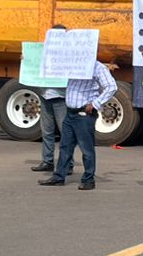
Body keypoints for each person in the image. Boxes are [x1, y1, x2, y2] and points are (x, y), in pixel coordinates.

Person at [38, 56, 118, 191]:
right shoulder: (73, 63)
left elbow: (111, 87)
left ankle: (88, 179)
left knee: (86, 148)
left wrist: (95, 104)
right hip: (70, 112)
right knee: (65, 146)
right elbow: (54, 65)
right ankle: (59, 177)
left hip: (84, 114)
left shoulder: (97, 67)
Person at [32, 25, 69, 174]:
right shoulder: (44, 51)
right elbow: (33, 64)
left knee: (65, 132)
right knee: (47, 131)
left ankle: (68, 163)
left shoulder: (69, 54)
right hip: (45, 94)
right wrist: (28, 59)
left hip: (60, 96)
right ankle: (47, 161)